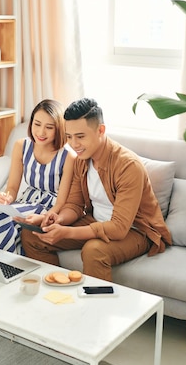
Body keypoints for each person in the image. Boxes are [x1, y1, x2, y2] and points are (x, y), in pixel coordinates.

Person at [21, 97, 172, 280]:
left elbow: (118, 228)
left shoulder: (128, 166)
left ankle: (96, 308)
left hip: (135, 231)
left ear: (101, 130)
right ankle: (59, 292)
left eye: (80, 136)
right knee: (32, 235)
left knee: (94, 250)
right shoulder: (81, 159)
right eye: (69, 137)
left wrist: (67, 232)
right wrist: (58, 219)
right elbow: (75, 205)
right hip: (95, 221)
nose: (74, 144)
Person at [0, 99, 75, 254]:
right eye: (37, 124)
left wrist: (44, 217)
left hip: (50, 207)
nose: (41, 132)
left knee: (4, 216)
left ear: (59, 128)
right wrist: (6, 198)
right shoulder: (22, 146)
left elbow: (62, 201)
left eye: (49, 127)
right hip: (26, 200)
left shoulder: (68, 155)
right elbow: (13, 187)